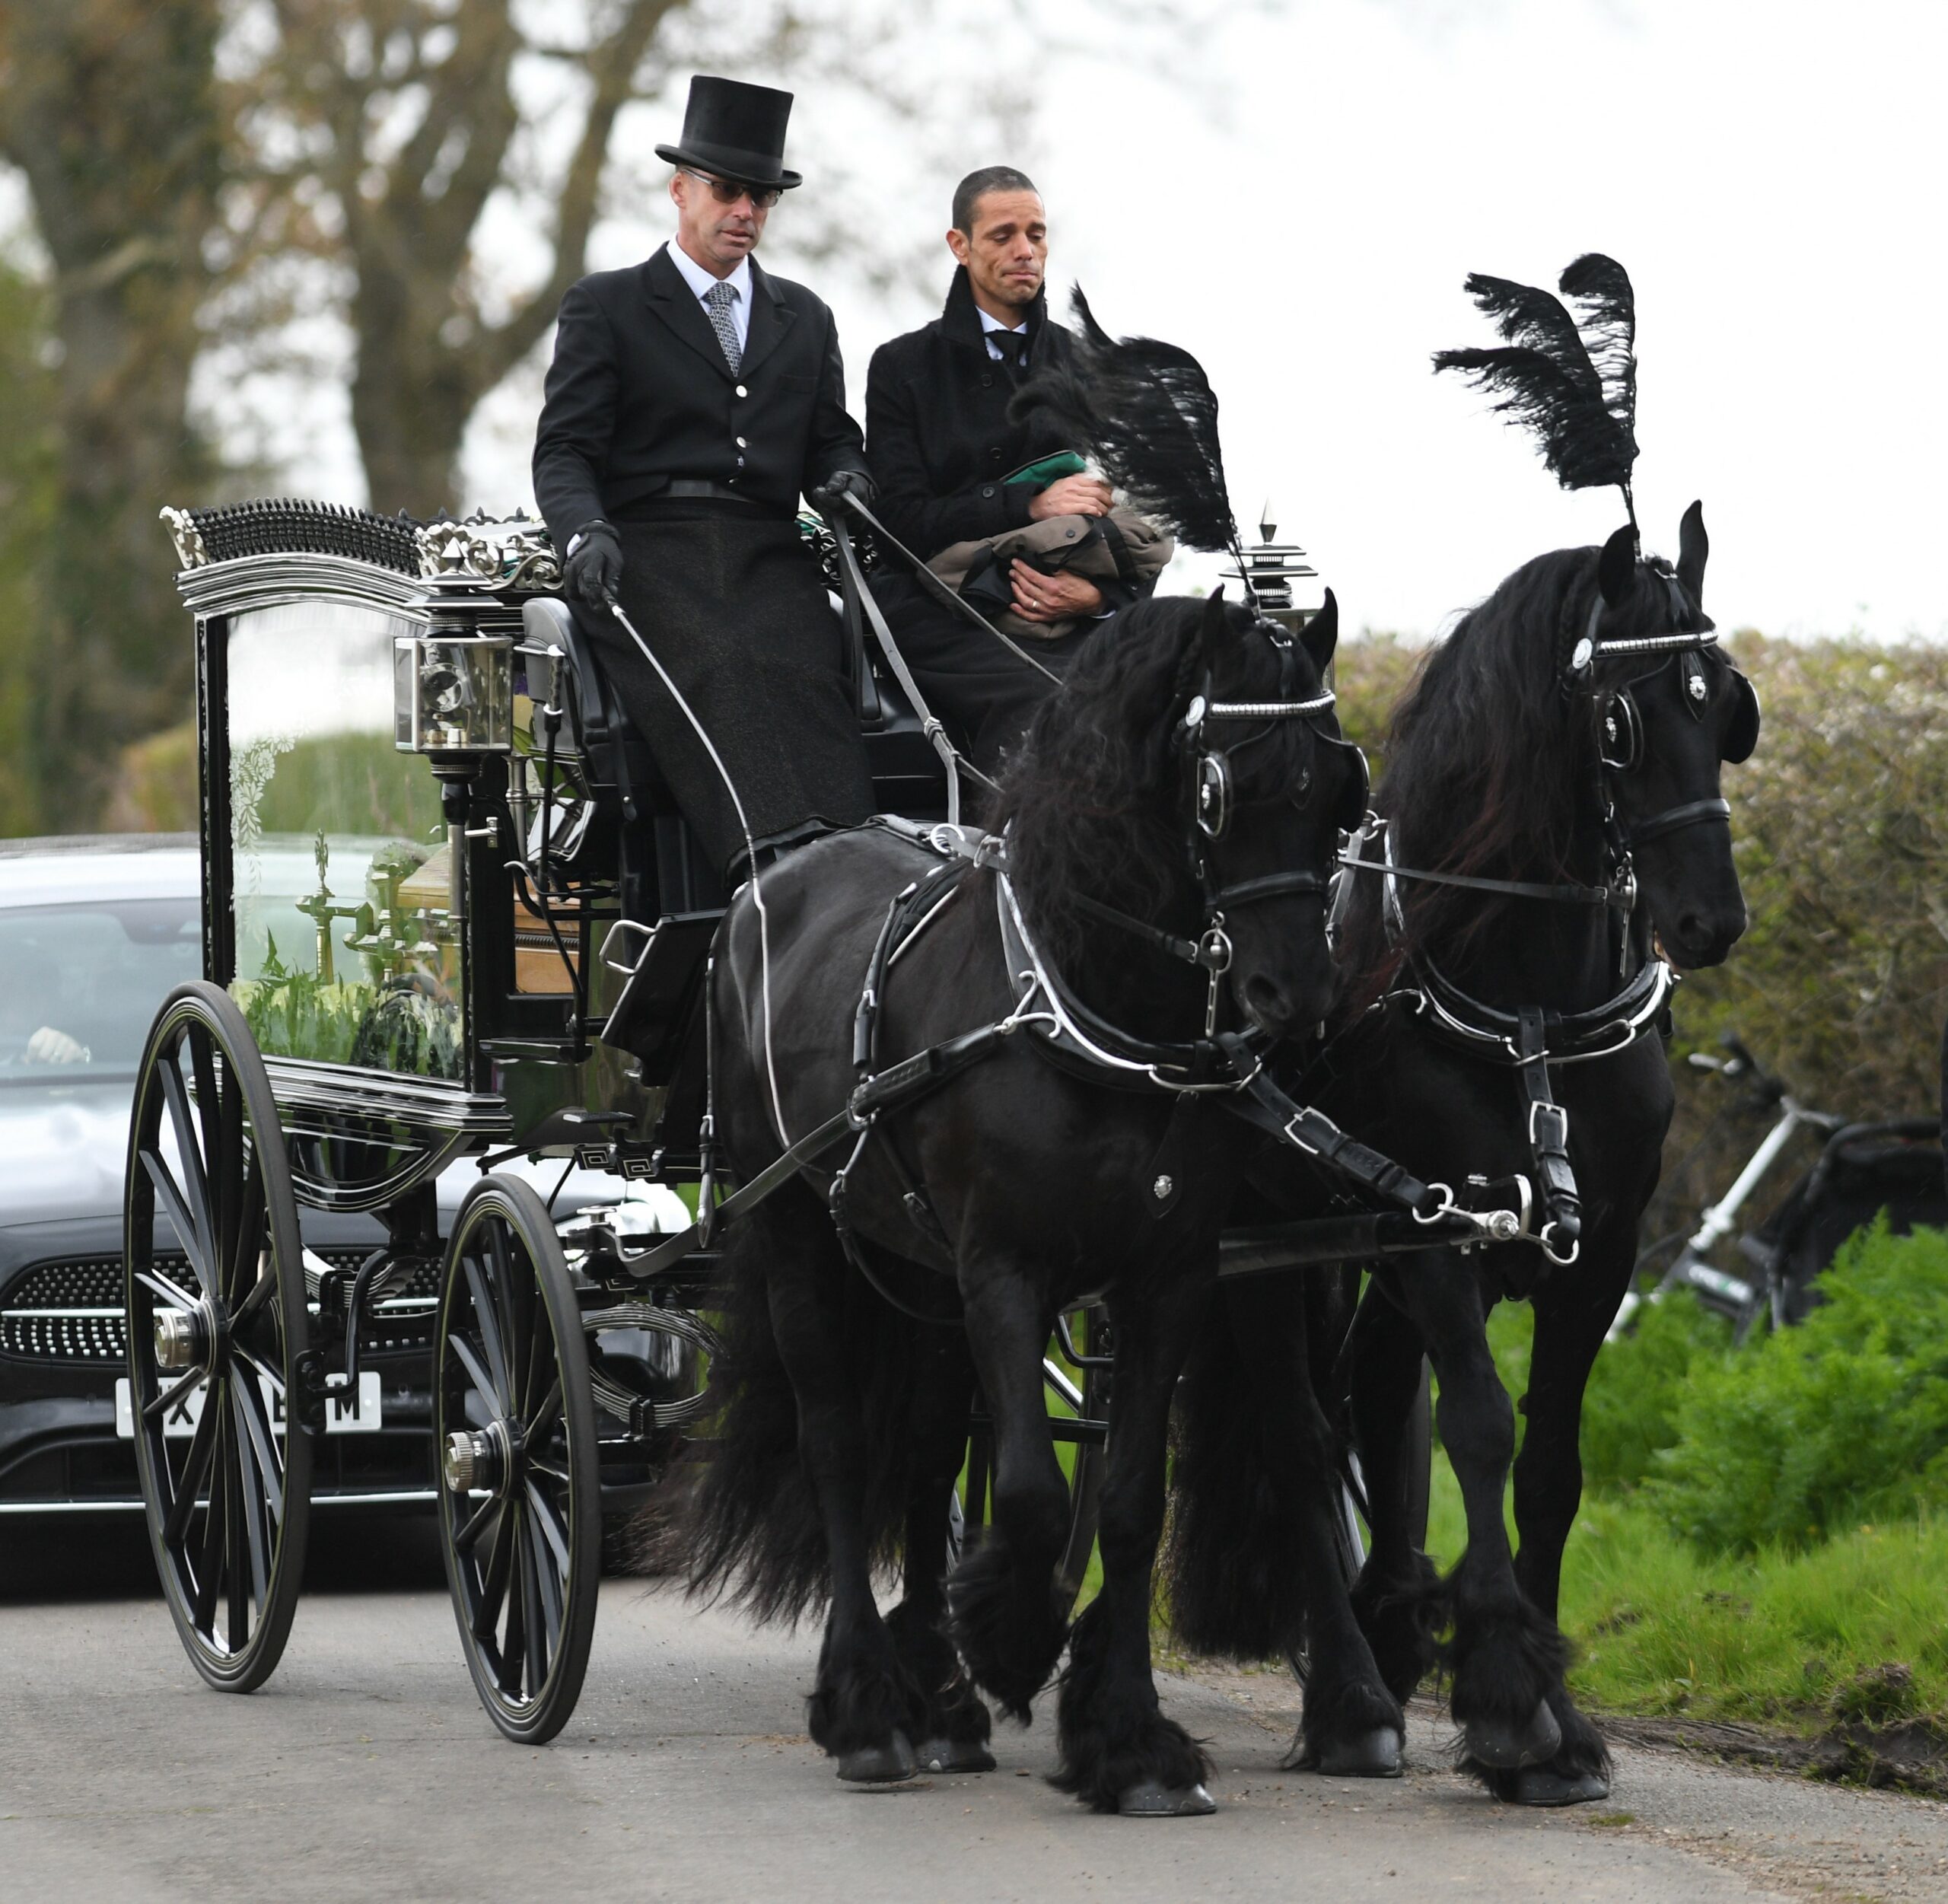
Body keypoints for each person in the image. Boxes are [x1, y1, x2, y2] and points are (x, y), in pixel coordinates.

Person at [533, 75, 877, 880]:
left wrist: (848, 480)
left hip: (767, 552)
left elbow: (833, 442)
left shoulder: (806, 316)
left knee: (804, 661)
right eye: (727, 192)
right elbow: (565, 450)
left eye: (761, 198)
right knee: (722, 660)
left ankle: (848, 863)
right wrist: (585, 531)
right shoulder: (607, 305)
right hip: (645, 556)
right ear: (680, 190)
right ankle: (773, 870)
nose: (745, 213)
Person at [864, 167, 1161, 772]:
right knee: (1050, 706)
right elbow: (895, 521)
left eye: (1036, 233)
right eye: (1002, 235)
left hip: (1080, 614)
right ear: (960, 246)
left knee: (1167, 699)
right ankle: (1010, 863)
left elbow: (1139, 520)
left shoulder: (1090, 366)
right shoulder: (902, 365)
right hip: (944, 612)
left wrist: (1098, 597)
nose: (1025, 251)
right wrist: (1027, 505)